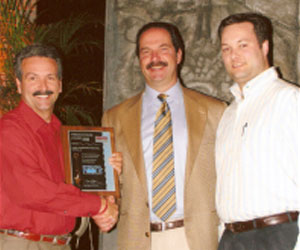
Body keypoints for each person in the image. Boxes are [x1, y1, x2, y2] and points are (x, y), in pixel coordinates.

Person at [102, 21, 226, 250]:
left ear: (179, 55)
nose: (154, 58)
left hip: (198, 239)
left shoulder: (216, 111)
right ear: (139, 60)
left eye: (163, 49)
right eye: (145, 52)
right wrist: (105, 206)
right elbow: (112, 184)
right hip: (138, 240)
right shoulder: (115, 118)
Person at [0, 44, 121, 250]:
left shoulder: (64, 136)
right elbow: (32, 191)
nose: (43, 86)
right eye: (33, 78)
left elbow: (69, 190)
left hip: (61, 244)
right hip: (21, 243)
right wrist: (97, 207)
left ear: (60, 84)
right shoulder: (9, 130)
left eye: (50, 77)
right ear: (19, 85)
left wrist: (106, 181)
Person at [215, 12, 300, 250]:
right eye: (226, 48)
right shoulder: (229, 114)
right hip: (232, 239)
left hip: (279, 237)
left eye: (243, 45)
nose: (234, 55)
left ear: (264, 47)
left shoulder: (290, 100)